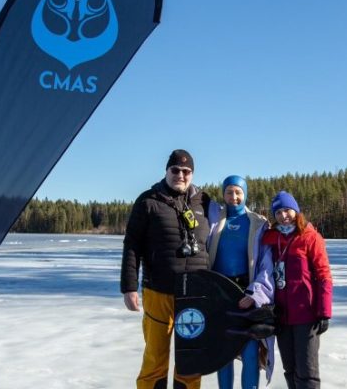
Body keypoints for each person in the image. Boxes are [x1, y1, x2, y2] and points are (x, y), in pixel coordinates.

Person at [121, 149, 211, 389]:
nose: (180, 175)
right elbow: (132, 245)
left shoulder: (204, 202)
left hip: (195, 295)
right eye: (175, 170)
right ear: (166, 171)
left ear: (192, 174)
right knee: (155, 358)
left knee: (190, 360)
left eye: (186, 171)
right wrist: (129, 287)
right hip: (158, 291)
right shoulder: (148, 201)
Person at [207, 175, 275, 389]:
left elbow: (266, 265)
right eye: (229, 192)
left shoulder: (258, 223)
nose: (233, 196)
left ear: (245, 194)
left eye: (238, 192)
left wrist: (255, 294)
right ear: (223, 194)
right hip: (220, 294)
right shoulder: (214, 219)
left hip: (246, 294)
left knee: (250, 352)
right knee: (223, 353)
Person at [261, 191, 333, 389]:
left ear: (296, 211)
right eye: (278, 212)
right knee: (290, 369)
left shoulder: (310, 237)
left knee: (307, 370)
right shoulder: (271, 239)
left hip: (306, 315)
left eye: (287, 210)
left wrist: (324, 312)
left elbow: (324, 275)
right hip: (281, 316)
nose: (283, 216)